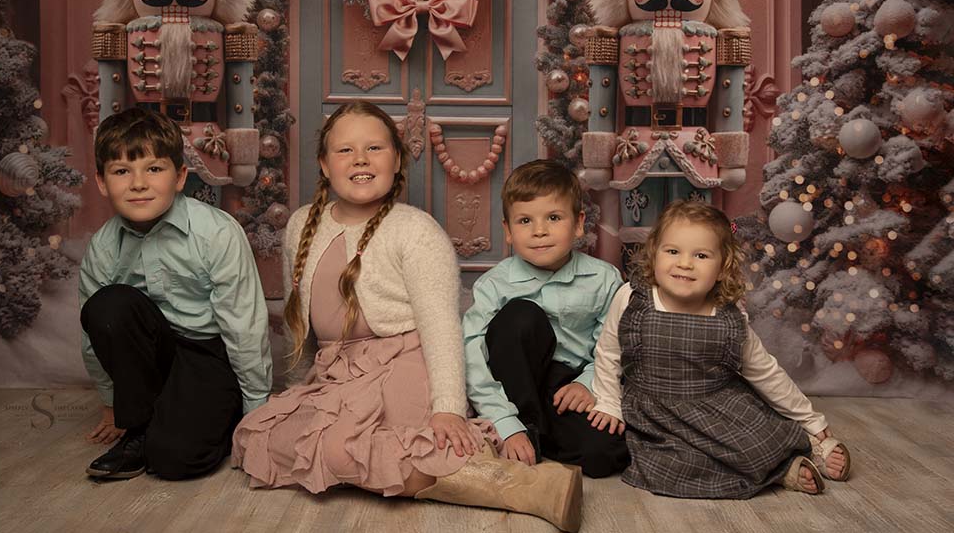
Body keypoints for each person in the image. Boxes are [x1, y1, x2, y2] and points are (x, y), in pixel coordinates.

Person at [232, 102, 583, 533]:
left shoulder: (415, 230)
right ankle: (465, 475)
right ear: (324, 165)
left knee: (344, 451)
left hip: (403, 365)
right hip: (337, 375)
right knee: (259, 438)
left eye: (375, 148)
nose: (360, 159)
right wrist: (297, 390)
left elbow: (441, 329)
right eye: (345, 151)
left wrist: (449, 409)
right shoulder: (302, 224)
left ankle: (520, 486)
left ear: (397, 160)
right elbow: (297, 322)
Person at [590, 200, 852, 499]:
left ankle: (800, 450)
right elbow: (608, 354)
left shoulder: (727, 316)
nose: (685, 263)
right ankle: (781, 473)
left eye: (701, 255)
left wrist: (811, 419)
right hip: (654, 412)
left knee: (757, 443)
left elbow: (765, 372)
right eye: (672, 251)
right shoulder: (632, 299)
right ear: (654, 254)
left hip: (716, 403)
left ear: (722, 266)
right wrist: (609, 403)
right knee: (676, 462)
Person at [79, 107, 273, 481]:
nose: (138, 183)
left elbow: (243, 326)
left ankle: (211, 413)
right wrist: (110, 403)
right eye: (122, 171)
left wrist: (256, 411)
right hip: (155, 355)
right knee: (108, 306)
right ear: (102, 182)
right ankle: (137, 430)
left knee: (176, 460)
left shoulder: (215, 233)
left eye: (154, 169)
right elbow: (94, 337)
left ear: (180, 176)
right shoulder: (103, 247)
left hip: (209, 354)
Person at [463, 160, 630, 479]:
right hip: (516, 384)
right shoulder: (495, 285)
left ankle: (543, 435)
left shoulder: (603, 278)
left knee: (605, 454)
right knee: (521, 315)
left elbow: (615, 343)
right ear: (509, 231)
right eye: (525, 221)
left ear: (579, 224)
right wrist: (504, 422)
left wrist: (588, 384)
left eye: (553, 218)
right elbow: (471, 355)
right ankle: (522, 428)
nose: (539, 231)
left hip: (571, 384)